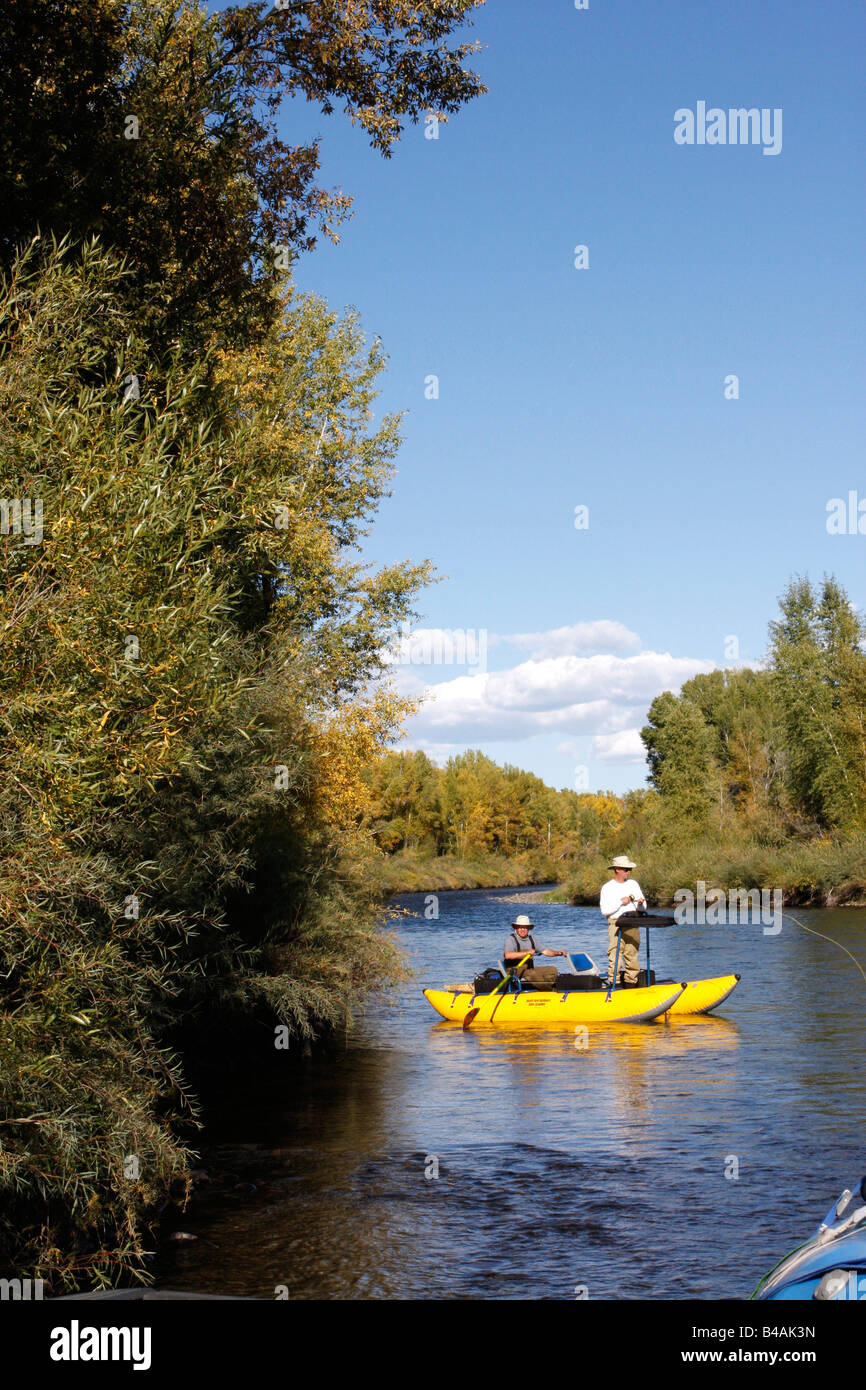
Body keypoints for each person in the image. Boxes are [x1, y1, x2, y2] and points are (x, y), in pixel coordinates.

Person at [599, 855, 646, 986]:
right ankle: (616, 983)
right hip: (615, 923)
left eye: (629, 869)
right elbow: (605, 910)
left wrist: (641, 904)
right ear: (617, 869)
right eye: (626, 869)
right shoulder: (607, 887)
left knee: (632, 953)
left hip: (632, 922)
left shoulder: (633, 884)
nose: (628, 872)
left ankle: (632, 982)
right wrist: (621, 902)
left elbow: (642, 907)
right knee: (615, 954)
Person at [503, 914, 566, 986]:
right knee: (532, 974)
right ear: (516, 928)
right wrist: (527, 953)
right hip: (514, 971)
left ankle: (546, 988)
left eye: (525, 927)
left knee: (552, 970)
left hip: (529, 969)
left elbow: (545, 951)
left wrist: (559, 953)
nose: (522, 930)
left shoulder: (532, 939)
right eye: (520, 927)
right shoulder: (510, 939)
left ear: (528, 929)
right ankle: (547, 990)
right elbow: (508, 955)